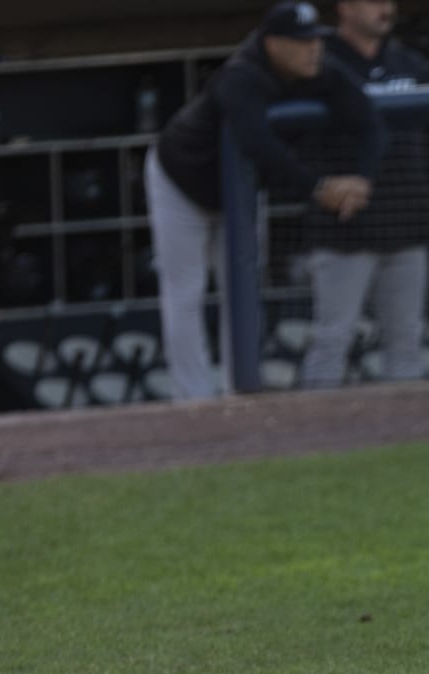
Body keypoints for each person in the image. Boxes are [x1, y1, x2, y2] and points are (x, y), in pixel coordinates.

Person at [146, 0, 385, 400]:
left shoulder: (320, 70)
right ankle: (192, 397)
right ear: (273, 44)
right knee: (185, 289)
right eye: (301, 42)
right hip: (180, 180)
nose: (313, 49)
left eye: (315, 40)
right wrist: (318, 187)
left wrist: (362, 179)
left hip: (235, 193)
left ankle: (238, 387)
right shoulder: (241, 75)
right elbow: (258, 144)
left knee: (241, 287)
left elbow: (370, 122)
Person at [297, 0, 429, 387]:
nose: (386, 9)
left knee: (406, 344)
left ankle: (405, 442)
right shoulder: (319, 63)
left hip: (406, 223)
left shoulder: (410, 63)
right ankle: (311, 437)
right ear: (345, 7)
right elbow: (300, 145)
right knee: (332, 340)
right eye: (374, 1)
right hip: (344, 227)